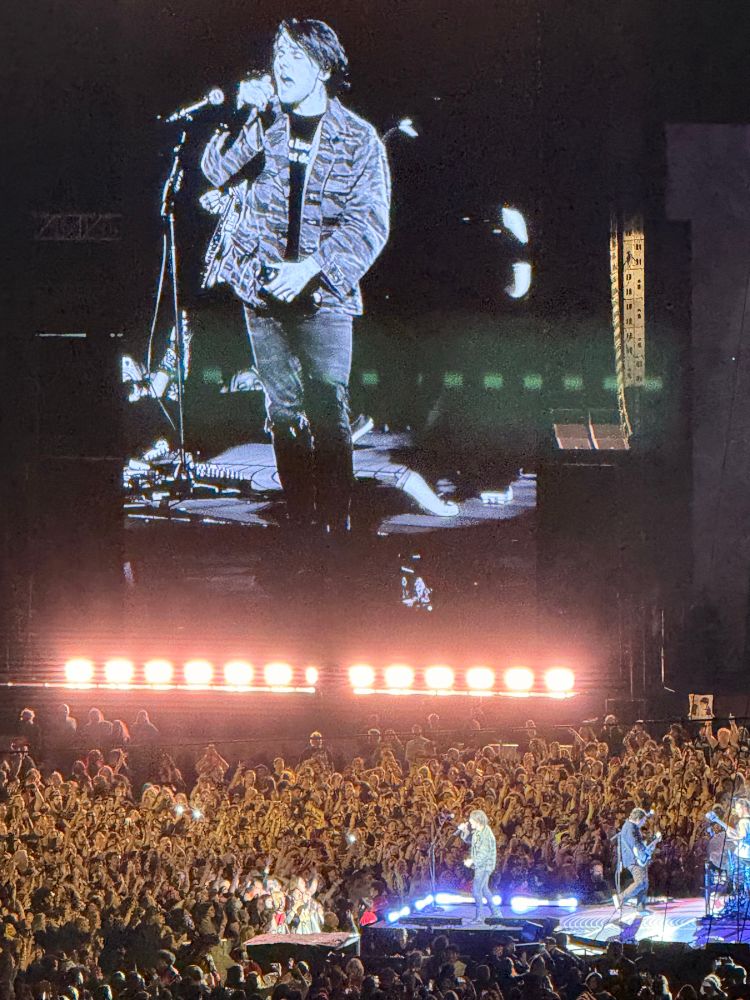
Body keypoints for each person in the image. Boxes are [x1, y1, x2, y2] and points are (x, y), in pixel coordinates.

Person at [201, 18, 391, 535]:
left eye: (295, 56)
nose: (280, 63)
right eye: (278, 52)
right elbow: (217, 171)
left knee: (329, 409)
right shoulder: (267, 125)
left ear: (324, 68)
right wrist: (245, 115)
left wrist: (310, 268)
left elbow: (369, 223)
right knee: (282, 410)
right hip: (261, 295)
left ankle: (337, 526)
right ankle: (302, 525)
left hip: (324, 296)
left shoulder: (358, 139)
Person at [457, 808, 501, 921]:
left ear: (478, 820)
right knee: (484, 890)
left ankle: (479, 917)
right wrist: (464, 831)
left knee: (476, 890)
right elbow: (469, 840)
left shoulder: (486, 834)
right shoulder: (478, 832)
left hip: (484, 866)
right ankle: (496, 912)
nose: (470, 823)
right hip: (480, 865)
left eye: (471, 821)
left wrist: (472, 861)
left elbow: (484, 854)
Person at [614, 807, 659, 913]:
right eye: (643, 820)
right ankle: (620, 898)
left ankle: (640, 907)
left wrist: (651, 843)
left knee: (644, 883)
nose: (644, 823)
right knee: (640, 882)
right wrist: (647, 849)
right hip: (633, 860)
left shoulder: (632, 827)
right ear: (638, 819)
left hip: (636, 859)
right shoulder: (630, 828)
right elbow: (636, 846)